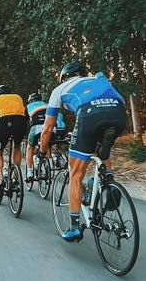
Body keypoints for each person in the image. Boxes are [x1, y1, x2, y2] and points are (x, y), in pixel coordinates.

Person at [40, 62, 126, 241]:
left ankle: (74, 227)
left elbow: (48, 128)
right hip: (118, 111)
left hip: (89, 113)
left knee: (76, 175)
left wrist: (42, 150)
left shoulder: (59, 89)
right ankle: (108, 183)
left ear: (64, 76)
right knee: (101, 147)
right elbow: (120, 99)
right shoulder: (97, 78)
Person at [25, 91, 49, 182]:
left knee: (30, 147)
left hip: (36, 128)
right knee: (47, 145)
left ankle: (29, 172)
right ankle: (48, 168)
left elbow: (25, 122)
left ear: (31, 100)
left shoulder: (28, 107)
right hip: (50, 128)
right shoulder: (47, 105)